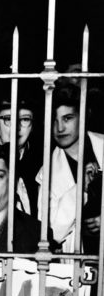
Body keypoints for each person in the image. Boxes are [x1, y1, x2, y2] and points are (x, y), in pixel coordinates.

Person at [38, 85, 103, 253]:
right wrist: (79, 189)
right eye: (54, 120)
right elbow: (52, 233)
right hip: (78, 267)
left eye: (67, 118)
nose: (59, 128)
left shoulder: (101, 146)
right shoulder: (46, 172)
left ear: (83, 116)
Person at [0, 99, 42, 217]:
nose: (17, 127)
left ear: (32, 126)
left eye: (25, 119)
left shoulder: (42, 160)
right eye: (8, 119)